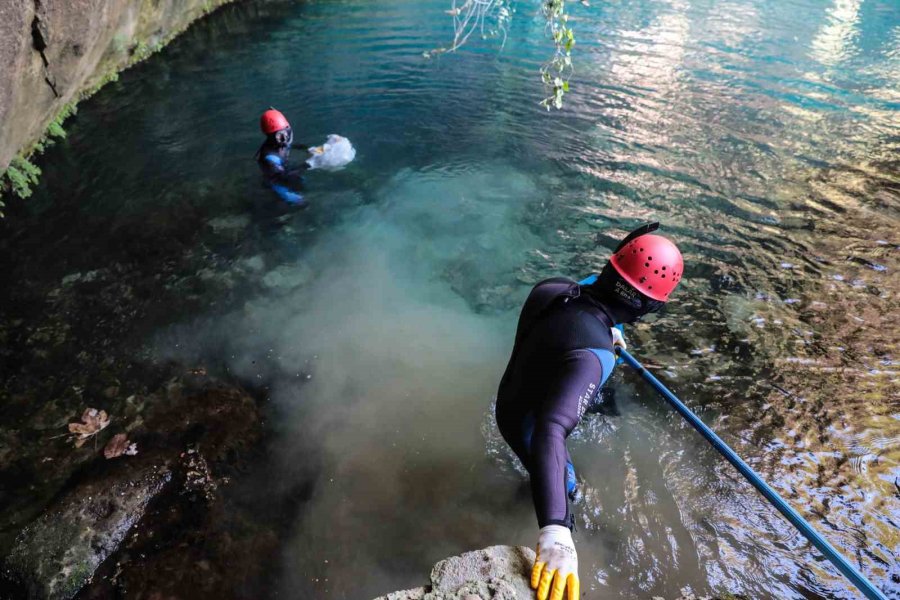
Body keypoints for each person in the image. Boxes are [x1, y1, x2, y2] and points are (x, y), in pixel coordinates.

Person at [495, 223, 684, 600]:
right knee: (566, 486)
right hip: (534, 430)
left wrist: (604, 328)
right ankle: (546, 511)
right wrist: (555, 531)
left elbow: (583, 304)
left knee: (556, 435)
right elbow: (552, 430)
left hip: (509, 405)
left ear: (612, 265)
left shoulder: (553, 288)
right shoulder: (594, 356)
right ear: (650, 306)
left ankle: (524, 488)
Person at [255, 108, 308, 206]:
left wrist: (307, 149)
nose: (284, 138)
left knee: (303, 183)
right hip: (275, 180)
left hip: (282, 168)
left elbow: (288, 145)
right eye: (279, 136)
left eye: (285, 132)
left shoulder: (283, 140)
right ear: (270, 136)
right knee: (301, 202)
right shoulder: (269, 157)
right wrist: (306, 165)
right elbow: (282, 176)